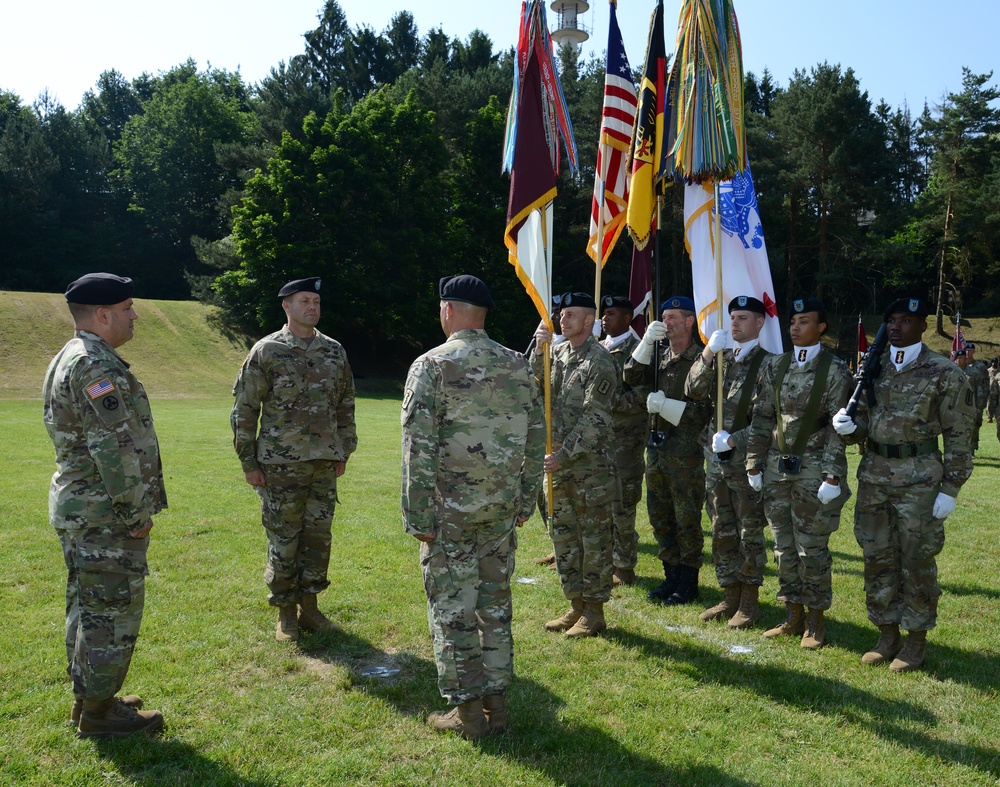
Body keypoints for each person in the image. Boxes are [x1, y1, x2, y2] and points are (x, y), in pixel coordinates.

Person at [401, 275, 544, 739]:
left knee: (454, 612)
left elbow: (417, 449)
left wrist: (417, 516)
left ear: (448, 310)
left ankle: (467, 718)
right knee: (494, 608)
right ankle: (496, 709)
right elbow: (537, 437)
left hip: (449, 516)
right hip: (500, 511)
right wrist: (525, 499)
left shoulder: (432, 366)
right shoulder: (518, 365)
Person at [43, 273, 166, 738]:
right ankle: (98, 714)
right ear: (102, 315)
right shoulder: (95, 366)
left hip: (82, 509)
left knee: (88, 607)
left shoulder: (70, 356)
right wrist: (136, 514)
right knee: (109, 613)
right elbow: (113, 448)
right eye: (128, 307)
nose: (135, 315)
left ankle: (92, 699)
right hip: (104, 514)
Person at [834, 297, 975, 671]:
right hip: (875, 475)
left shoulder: (943, 371)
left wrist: (951, 487)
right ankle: (886, 633)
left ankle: (915, 639)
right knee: (876, 556)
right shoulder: (874, 366)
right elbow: (862, 419)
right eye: (892, 320)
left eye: (906, 320)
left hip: (920, 479)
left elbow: (959, 434)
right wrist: (850, 429)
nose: (896, 327)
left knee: (917, 559)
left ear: (923, 326)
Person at [231, 277, 357, 642]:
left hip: (322, 462)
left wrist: (343, 449)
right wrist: (249, 462)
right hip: (279, 465)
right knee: (284, 538)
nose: (312, 307)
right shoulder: (266, 351)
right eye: (304, 300)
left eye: (316, 301)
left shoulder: (334, 351)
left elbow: (346, 403)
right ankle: (285, 613)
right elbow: (244, 409)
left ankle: (311, 609)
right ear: (286, 306)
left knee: (318, 537)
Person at [745, 298, 852, 649]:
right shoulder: (776, 366)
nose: (795, 327)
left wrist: (833, 476)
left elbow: (839, 427)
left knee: (812, 548)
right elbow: (761, 416)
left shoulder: (835, 370)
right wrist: (754, 462)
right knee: (783, 546)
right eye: (792, 321)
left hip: (815, 467)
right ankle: (792, 613)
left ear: (821, 327)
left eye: (804, 321)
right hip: (777, 467)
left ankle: (816, 620)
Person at [531, 292, 618, 637]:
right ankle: (576, 605)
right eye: (561, 315)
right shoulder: (559, 353)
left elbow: (595, 420)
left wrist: (562, 456)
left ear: (588, 320)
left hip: (588, 469)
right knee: (564, 539)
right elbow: (536, 387)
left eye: (570, 315)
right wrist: (539, 352)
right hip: (558, 465)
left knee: (593, 541)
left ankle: (594, 611)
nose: (562, 321)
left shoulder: (599, 360)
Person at [685, 296, 773, 628]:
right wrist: (708, 353)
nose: (735, 323)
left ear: (760, 323)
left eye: (743, 318)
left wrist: (737, 439)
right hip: (717, 461)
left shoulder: (769, 364)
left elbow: (770, 419)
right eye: (733, 317)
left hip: (747, 462)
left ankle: (749, 601)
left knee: (749, 531)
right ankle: (730, 595)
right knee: (722, 528)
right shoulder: (721, 358)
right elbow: (692, 389)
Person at [623, 296, 712, 605]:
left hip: (685, 453)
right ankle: (670, 576)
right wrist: (646, 342)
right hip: (657, 450)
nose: (667, 322)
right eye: (663, 317)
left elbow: (705, 411)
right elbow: (631, 376)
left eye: (673, 317)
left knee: (686, 518)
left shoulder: (701, 358)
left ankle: (688, 582)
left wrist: (669, 407)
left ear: (690, 321)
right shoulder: (658, 355)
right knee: (660, 516)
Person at [600, 295, 648, 586]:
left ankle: (625, 566)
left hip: (626, 441)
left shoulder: (638, 351)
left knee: (623, 503)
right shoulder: (596, 349)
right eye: (604, 314)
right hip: (600, 441)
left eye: (612, 314)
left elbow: (644, 394)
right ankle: (605, 559)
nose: (605, 319)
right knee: (602, 503)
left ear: (628, 319)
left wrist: (609, 401)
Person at [963, 342, 989, 454]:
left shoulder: (980, 367)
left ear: (974, 351)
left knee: (975, 425)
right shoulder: (960, 367)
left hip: (976, 400)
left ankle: (972, 448)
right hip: (962, 402)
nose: (968, 353)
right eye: (966, 350)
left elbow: (985, 385)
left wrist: (982, 402)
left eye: (970, 350)